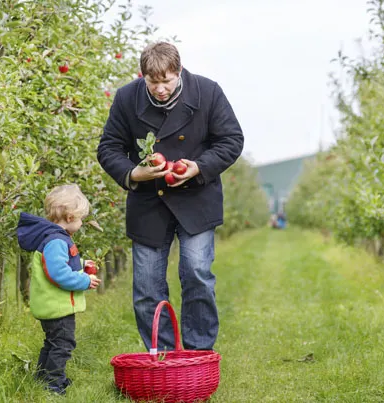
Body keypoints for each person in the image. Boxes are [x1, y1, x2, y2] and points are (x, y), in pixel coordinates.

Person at [97, 42, 244, 352]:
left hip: (196, 198)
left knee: (196, 274)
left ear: (179, 72)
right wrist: (133, 174)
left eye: (167, 81)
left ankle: (197, 352)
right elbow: (108, 148)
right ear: (143, 77)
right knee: (147, 287)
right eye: (153, 82)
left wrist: (199, 167)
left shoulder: (207, 92)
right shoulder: (127, 98)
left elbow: (231, 140)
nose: (160, 89)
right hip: (149, 202)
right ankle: (161, 356)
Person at [16, 184, 101, 395]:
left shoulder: (54, 238)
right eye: (81, 219)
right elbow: (58, 274)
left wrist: (81, 264)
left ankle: (44, 377)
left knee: (52, 342)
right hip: (57, 305)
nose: (82, 223)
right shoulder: (56, 240)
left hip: (52, 304)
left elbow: (61, 264)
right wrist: (84, 280)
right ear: (71, 217)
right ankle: (52, 385)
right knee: (63, 343)